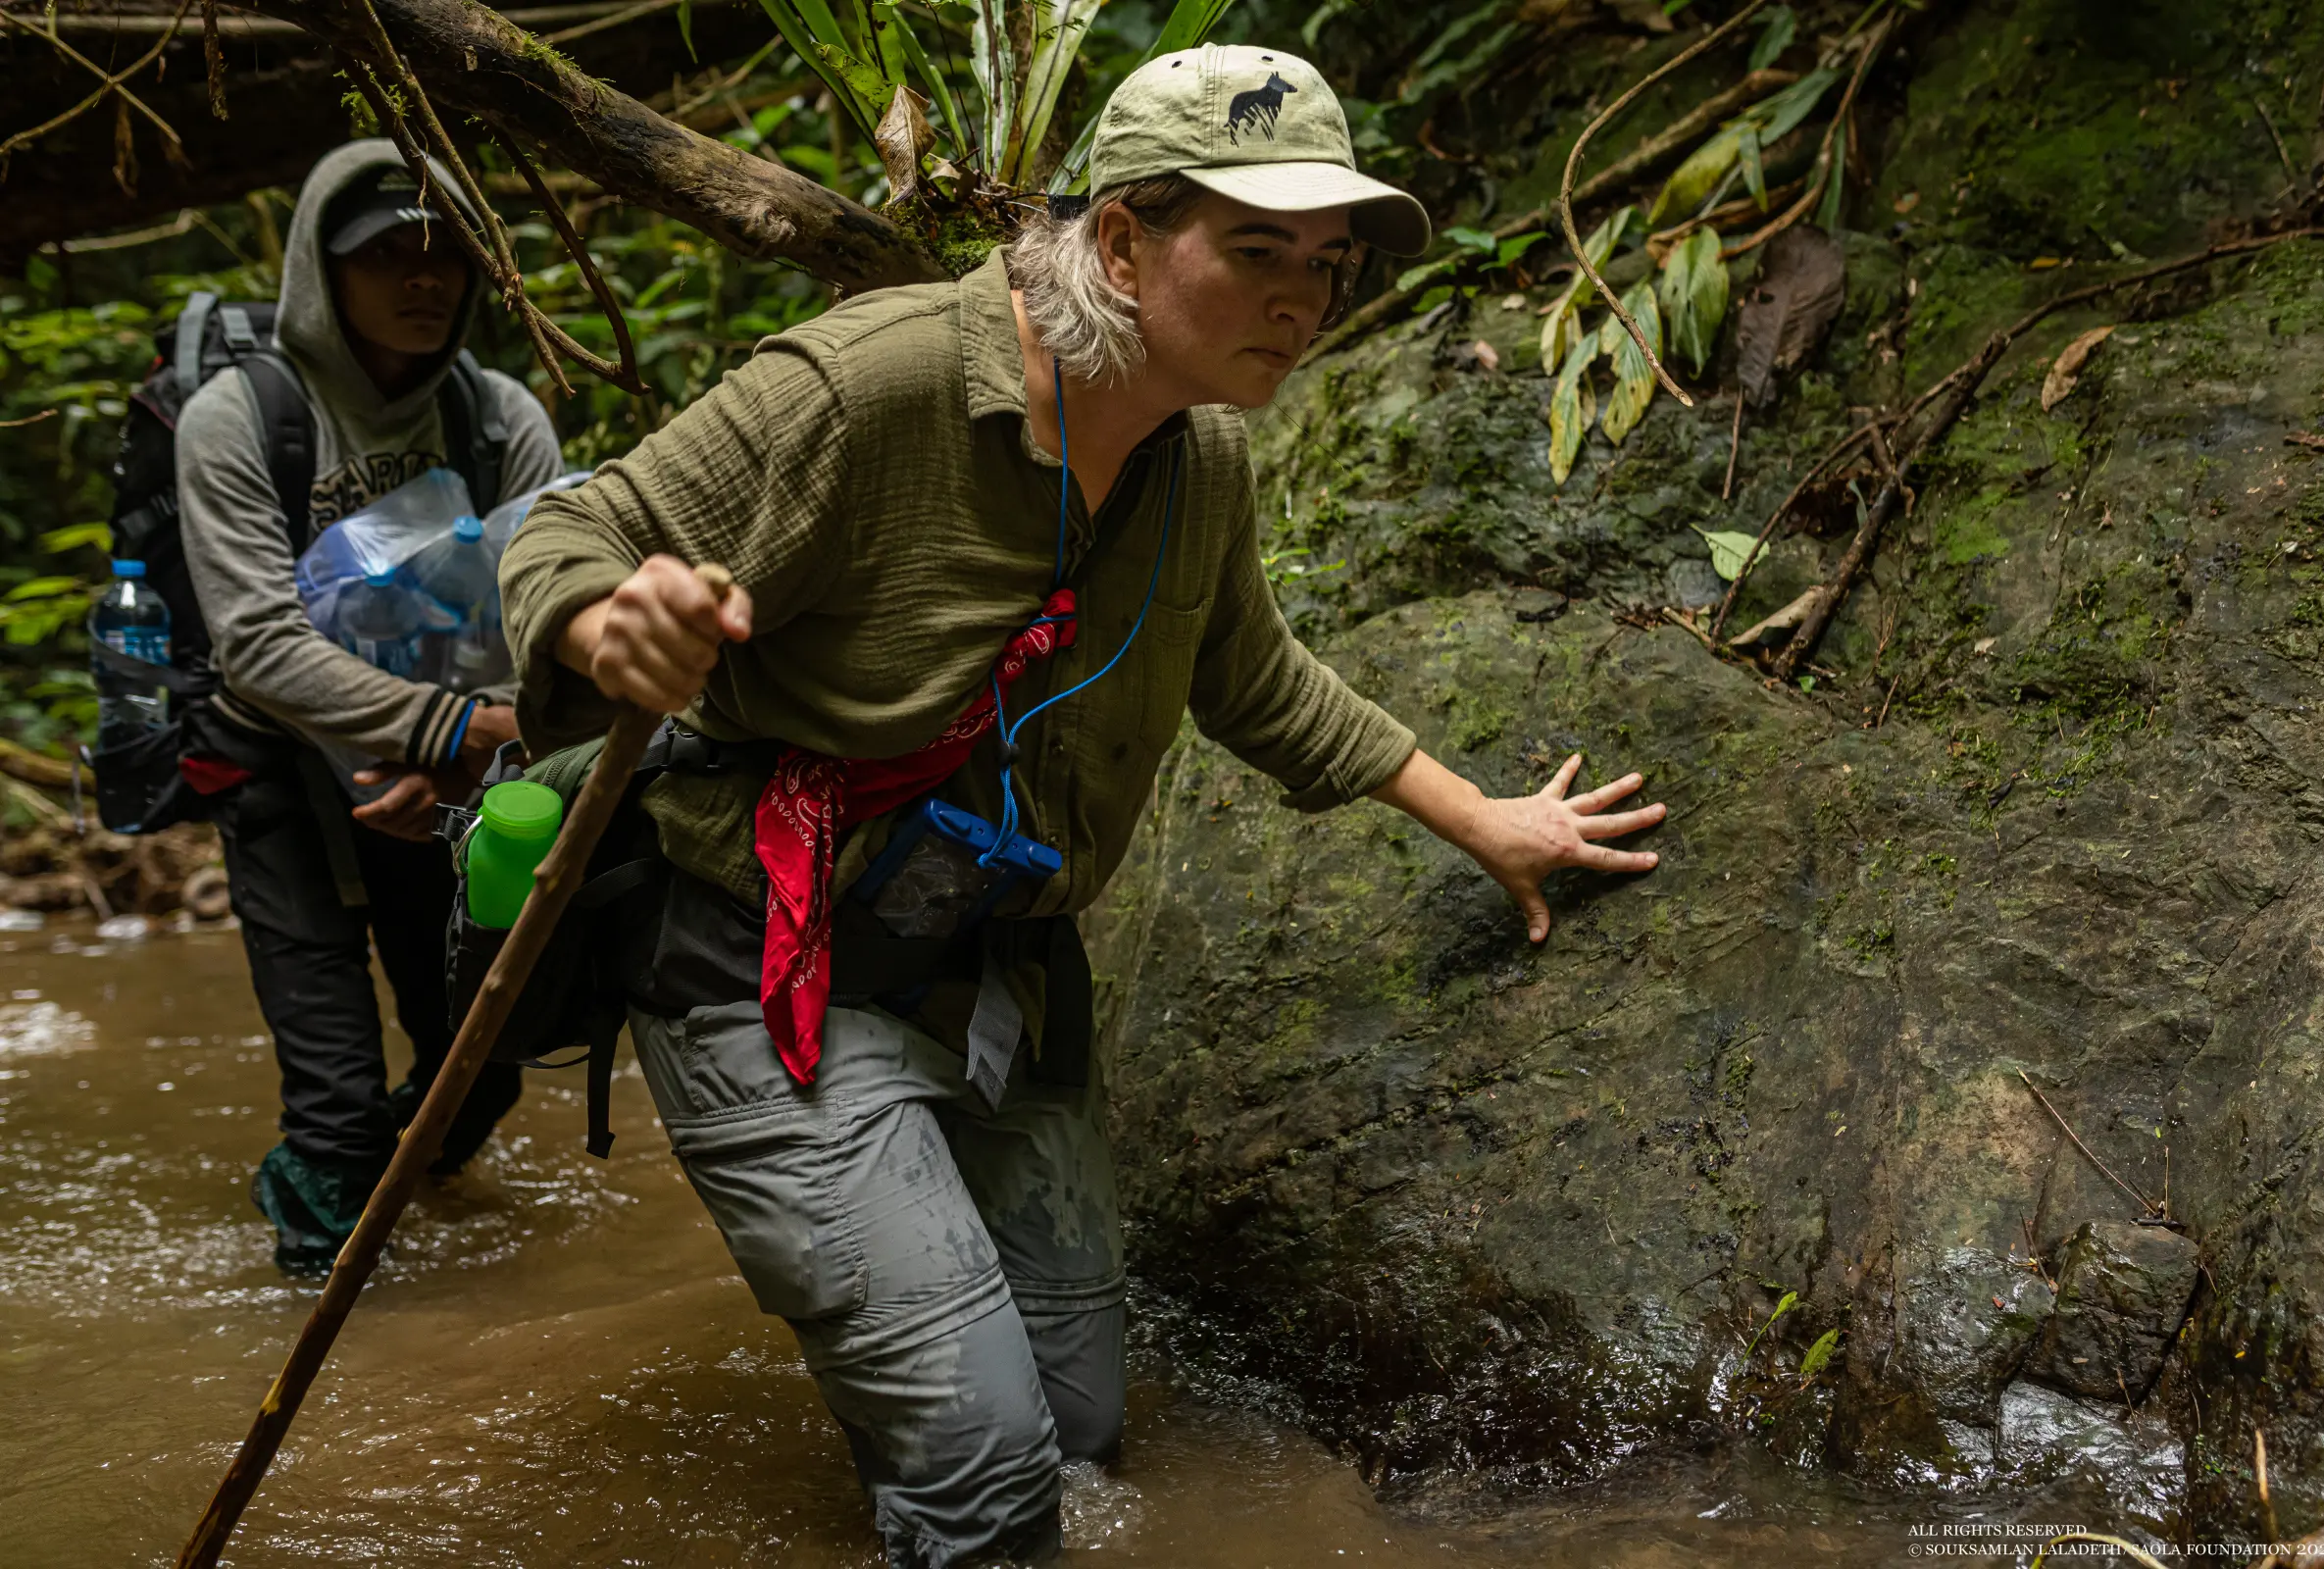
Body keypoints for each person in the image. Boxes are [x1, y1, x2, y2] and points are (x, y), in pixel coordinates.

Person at [501, 45, 1665, 1566]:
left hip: (1005, 966)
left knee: (1085, 1434)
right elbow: (567, 531)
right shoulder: (876, 385)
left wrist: (1489, 820)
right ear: (1121, 242)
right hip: (772, 957)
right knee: (990, 1483)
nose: (1303, 302)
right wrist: (612, 630)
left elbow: (1254, 679)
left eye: (1323, 264)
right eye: (1257, 252)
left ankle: (927, 1380)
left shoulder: (1206, 457)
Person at [176, 142, 566, 1274]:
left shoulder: (501, 423)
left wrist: (468, 752)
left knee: (486, 1059)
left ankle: (408, 1214)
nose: (421, 278)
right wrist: (450, 728)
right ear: (319, 270)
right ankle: (326, 1282)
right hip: (278, 775)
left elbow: (541, 620)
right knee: (337, 1106)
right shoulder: (240, 418)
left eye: (443, 253)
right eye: (384, 253)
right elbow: (252, 644)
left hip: (445, 782)